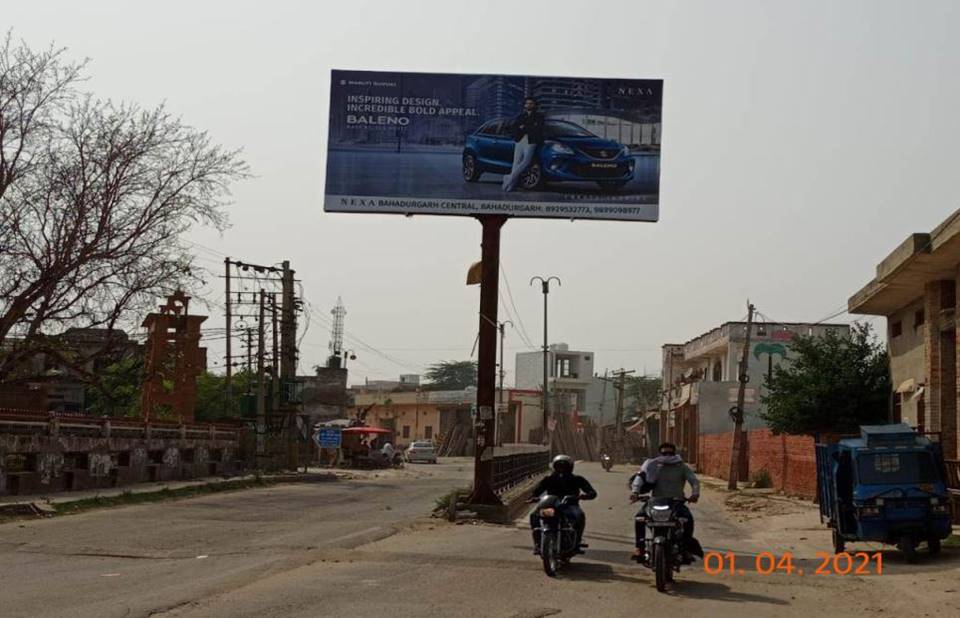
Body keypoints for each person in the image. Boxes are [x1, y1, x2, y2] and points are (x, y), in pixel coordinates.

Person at [631, 442, 702, 562]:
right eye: (665, 453)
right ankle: (639, 548)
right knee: (639, 518)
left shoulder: (682, 467)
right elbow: (640, 477)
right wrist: (635, 492)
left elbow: (694, 481)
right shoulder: (652, 465)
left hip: (677, 502)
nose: (667, 456)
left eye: (670, 453)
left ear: (675, 454)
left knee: (688, 519)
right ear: (660, 453)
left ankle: (685, 549)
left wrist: (695, 494)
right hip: (655, 501)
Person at [529, 454, 597, 554]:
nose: (561, 469)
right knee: (534, 515)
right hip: (551, 506)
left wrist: (583, 496)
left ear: (570, 467)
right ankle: (538, 543)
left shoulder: (577, 479)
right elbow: (537, 491)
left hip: (569, 506)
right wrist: (533, 497)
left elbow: (592, 492)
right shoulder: (548, 479)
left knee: (579, 516)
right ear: (554, 467)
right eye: (559, 466)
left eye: (564, 467)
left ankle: (576, 542)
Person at [501, 97, 545, 192]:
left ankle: (509, 178)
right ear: (524, 105)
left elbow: (537, 129)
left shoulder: (540, 116)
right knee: (516, 162)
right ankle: (511, 186)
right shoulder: (520, 116)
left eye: (531, 103)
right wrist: (528, 126)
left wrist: (524, 127)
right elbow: (515, 127)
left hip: (531, 141)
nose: (528, 105)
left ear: (535, 105)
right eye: (527, 103)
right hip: (520, 140)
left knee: (526, 162)